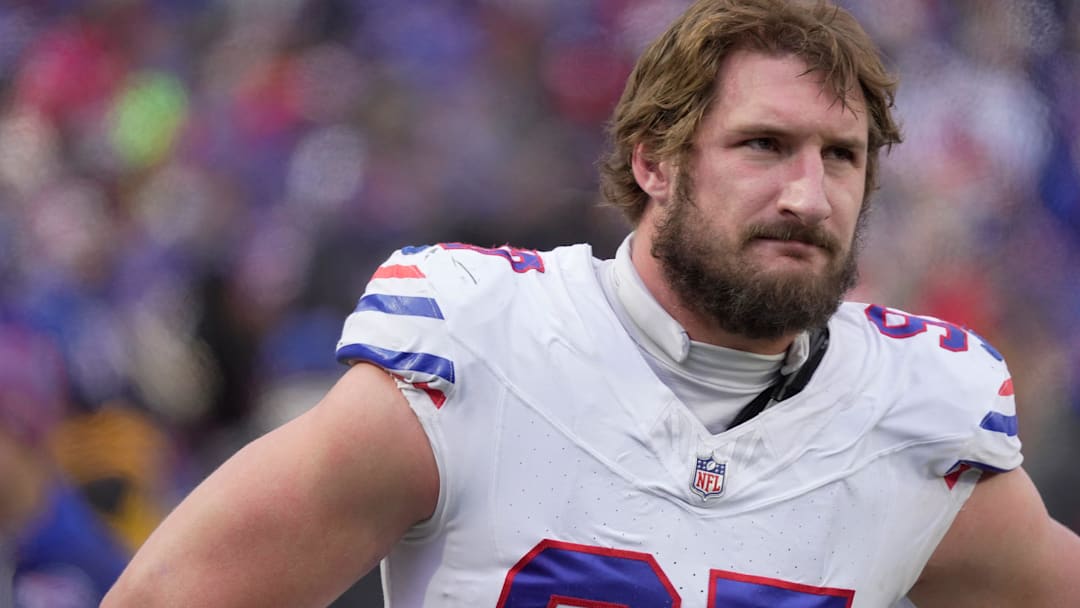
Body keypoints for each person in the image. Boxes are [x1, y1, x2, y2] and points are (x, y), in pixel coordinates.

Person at [103, 0, 1080, 606]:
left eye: (842, 156)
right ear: (653, 159)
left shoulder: (914, 415)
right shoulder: (483, 346)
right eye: (763, 144)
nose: (807, 195)